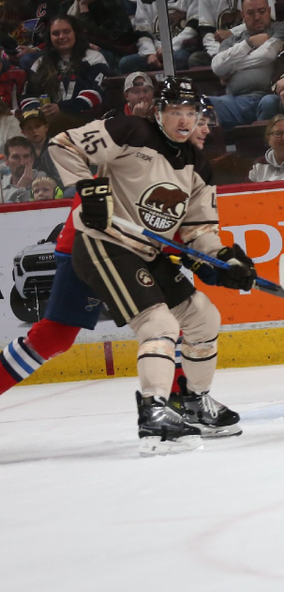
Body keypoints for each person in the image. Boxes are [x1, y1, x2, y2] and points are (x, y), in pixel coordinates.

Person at [46, 76, 253, 454]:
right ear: (159, 111)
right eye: (175, 111)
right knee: (159, 323)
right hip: (104, 243)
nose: (184, 120)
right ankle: (154, 410)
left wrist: (226, 258)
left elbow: (198, 231)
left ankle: (193, 400)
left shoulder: (197, 165)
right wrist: (86, 187)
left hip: (146, 250)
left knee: (203, 317)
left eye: (191, 112)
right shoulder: (130, 130)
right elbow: (62, 144)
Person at [209, 0, 284, 129]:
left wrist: (232, 67)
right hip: (235, 101)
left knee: (270, 102)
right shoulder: (231, 41)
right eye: (250, 13)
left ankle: (262, 146)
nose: (257, 17)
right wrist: (249, 43)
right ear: (243, 15)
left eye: (262, 11)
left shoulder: (283, 28)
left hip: (268, 96)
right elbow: (217, 67)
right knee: (205, 103)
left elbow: (267, 54)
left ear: (269, 11)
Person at [20, 15, 108, 134]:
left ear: (75, 33)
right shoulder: (40, 63)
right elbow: (28, 96)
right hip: (45, 118)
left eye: (66, 32)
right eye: (56, 33)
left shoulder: (93, 58)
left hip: (84, 119)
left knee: (42, 125)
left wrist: (61, 108)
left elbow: (94, 95)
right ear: (49, 38)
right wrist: (37, 111)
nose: (61, 37)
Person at [59, 0, 135, 63]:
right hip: (79, 49)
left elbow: (114, 38)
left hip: (112, 52)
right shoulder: (65, 7)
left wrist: (84, 8)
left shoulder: (109, 1)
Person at [19, 107, 64, 188]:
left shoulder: (57, 147)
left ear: (46, 127)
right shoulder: (22, 152)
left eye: (38, 126)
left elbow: (63, 178)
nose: (34, 131)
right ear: (23, 133)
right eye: (29, 128)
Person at [1, 136, 50, 203]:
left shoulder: (41, 178)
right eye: (16, 157)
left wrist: (22, 188)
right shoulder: (1, 185)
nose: (22, 162)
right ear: (6, 160)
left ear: (32, 159)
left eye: (26, 156)